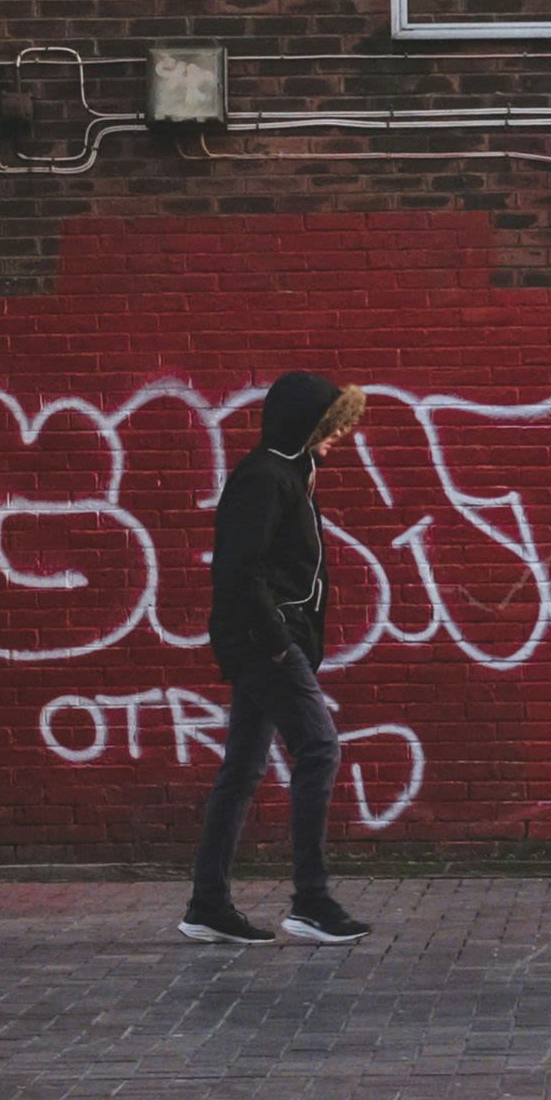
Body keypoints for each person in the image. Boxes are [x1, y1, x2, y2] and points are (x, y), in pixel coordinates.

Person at [179, 370, 373, 946]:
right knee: (319, 748)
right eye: (328, 427)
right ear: (303, 425)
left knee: (241, 769)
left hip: (270, 642)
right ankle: (310, 901)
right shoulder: (265, 478)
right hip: (264, 643)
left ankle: (207, 905)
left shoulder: (292, 474)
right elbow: (239, 570)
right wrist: (278, 642)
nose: (336, 438)